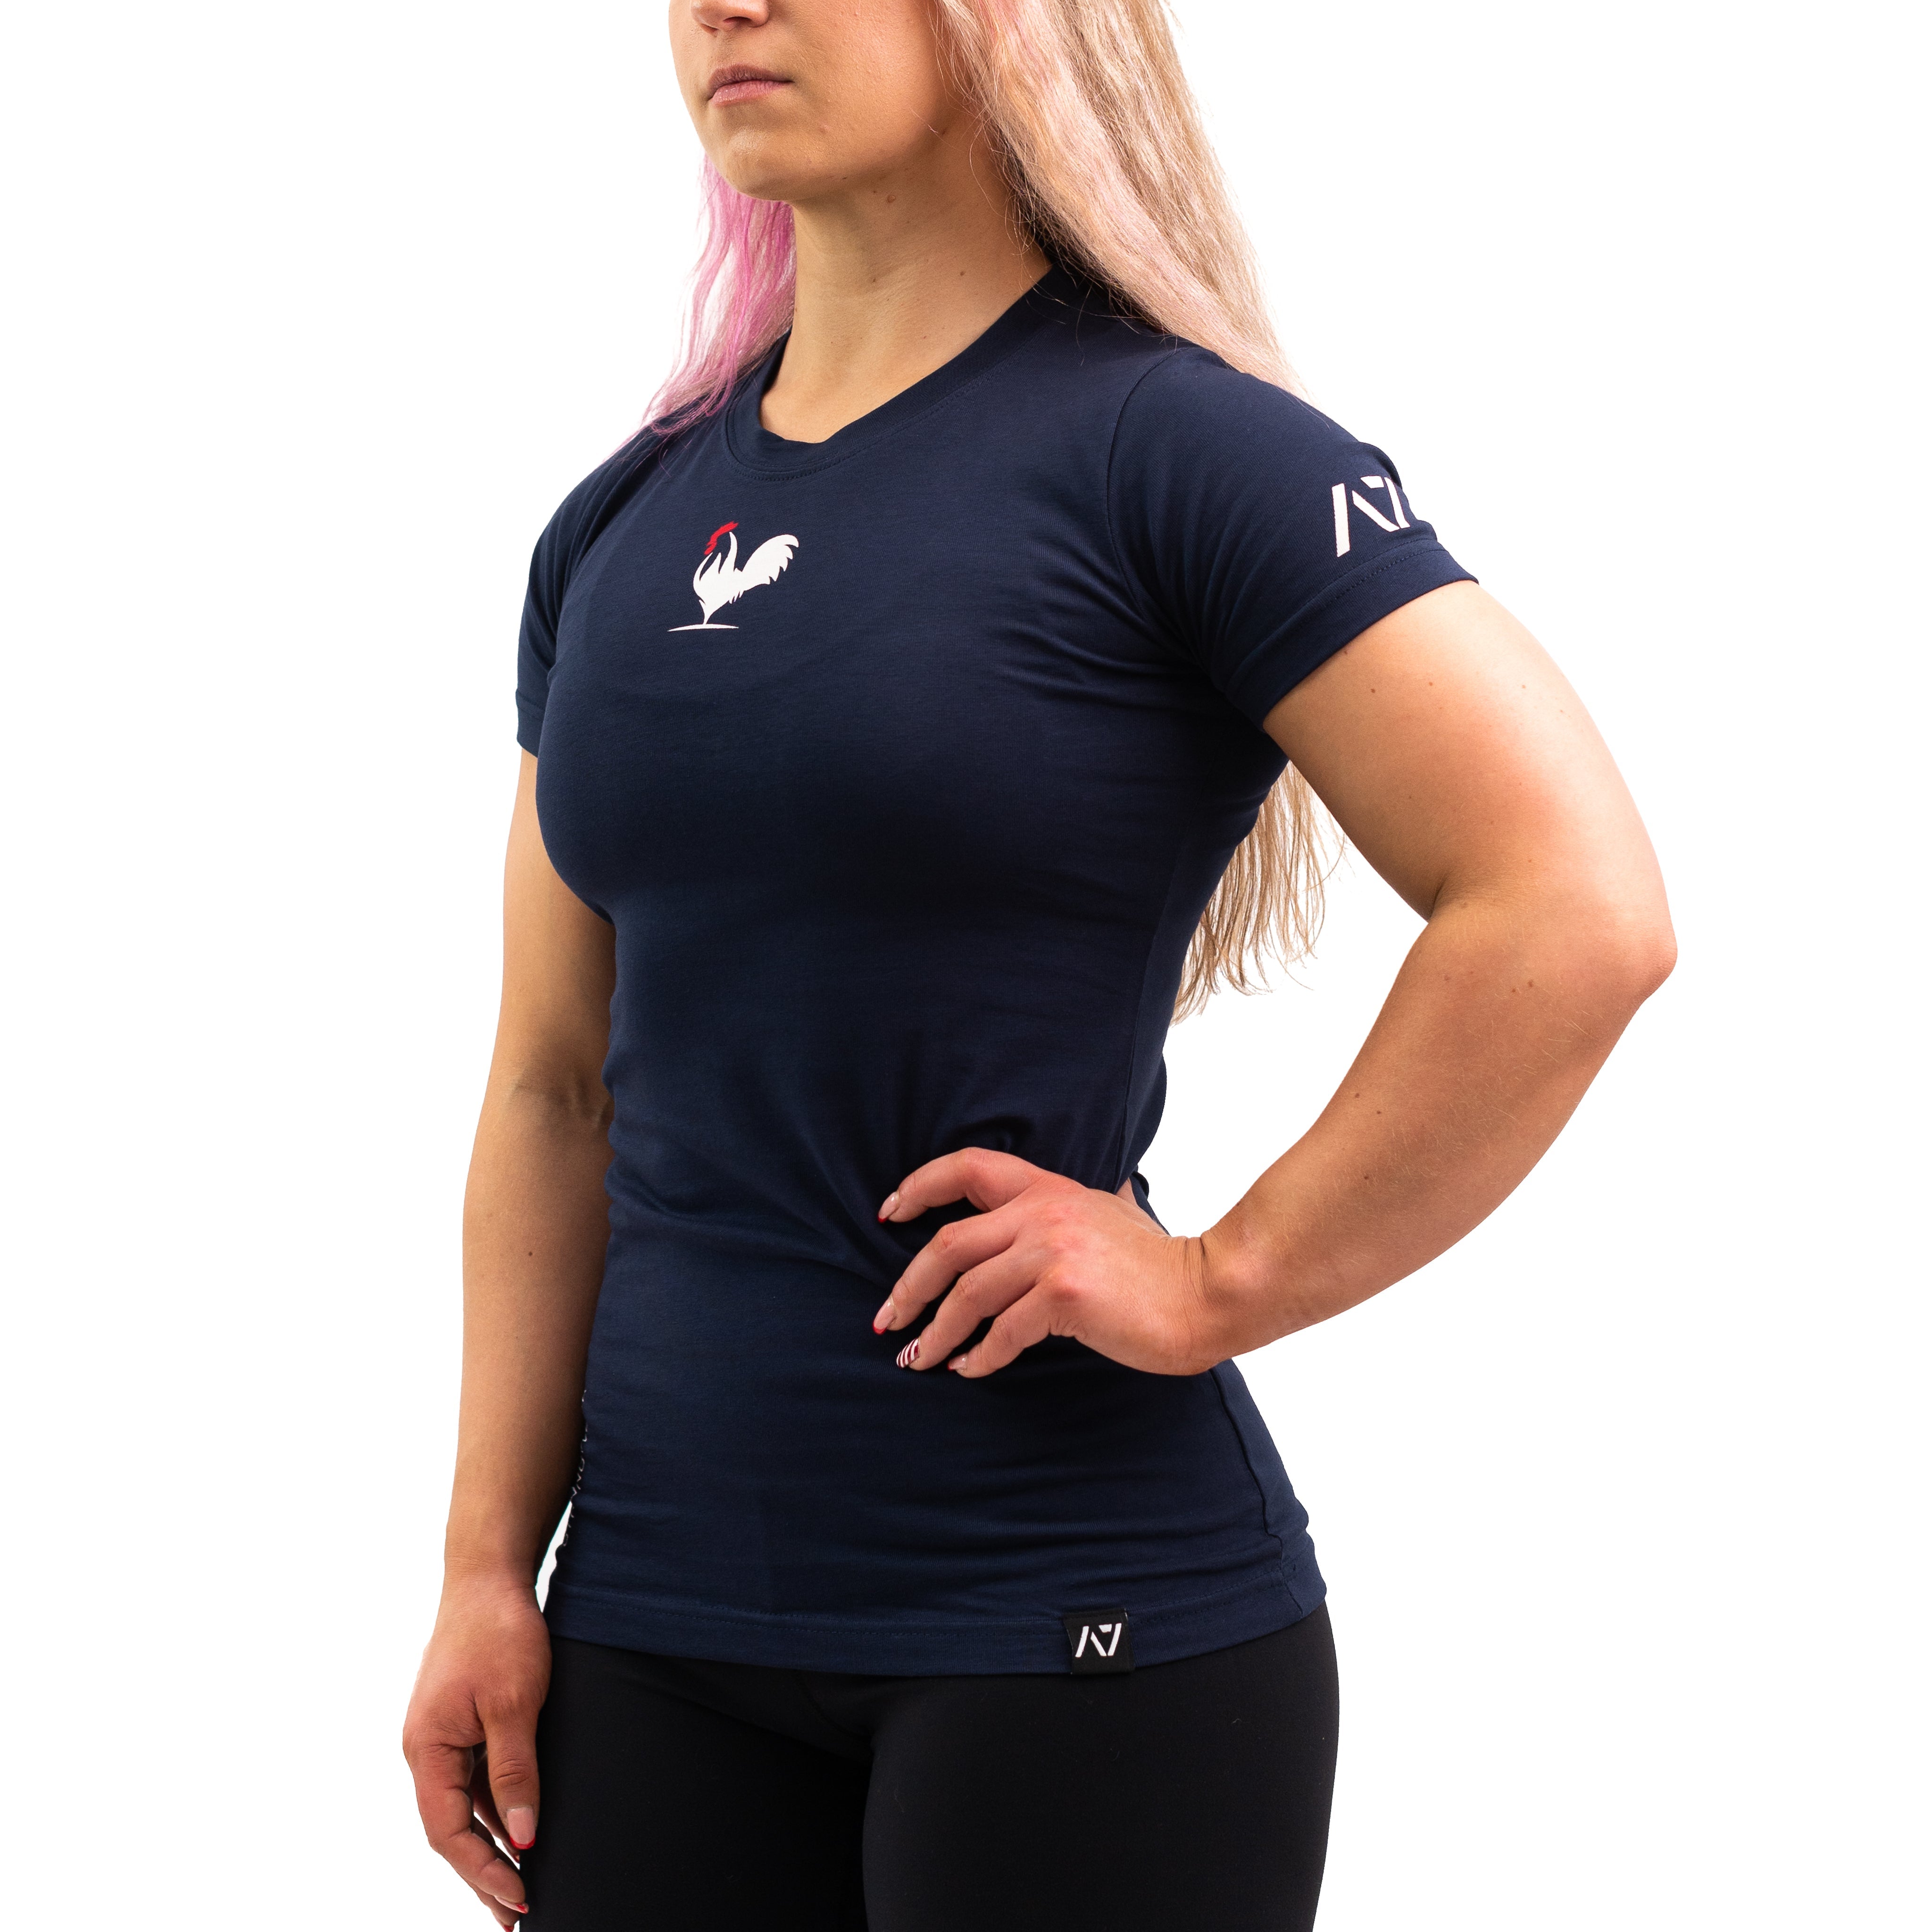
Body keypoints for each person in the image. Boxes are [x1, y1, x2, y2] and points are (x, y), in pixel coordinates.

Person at [401, 1, 1676, 1926]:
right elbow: (549, 1085)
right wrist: (484, 1567)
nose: (726, 3)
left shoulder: (1184, 452)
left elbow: (1576, 903)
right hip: (651, 1630)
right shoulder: (623, 524)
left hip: (1078, 1633)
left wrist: (1220, 1277)